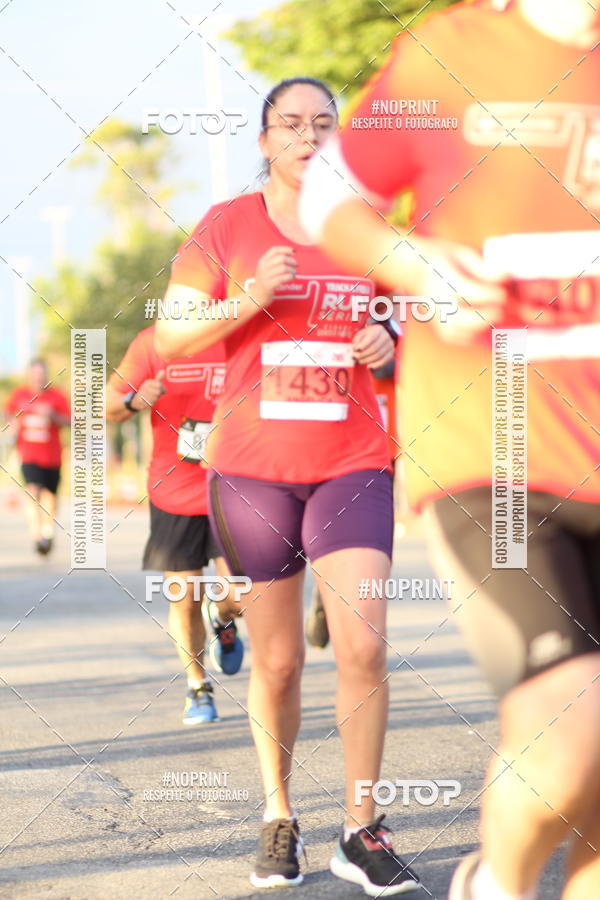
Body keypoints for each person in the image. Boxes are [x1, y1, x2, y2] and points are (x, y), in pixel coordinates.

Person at [300, 1, 600, 898]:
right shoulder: (448, 55)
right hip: (494, 453)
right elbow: (329, 193)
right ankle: (497, 879)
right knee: (571, 732)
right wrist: (415, 264)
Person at [155, 77, 421, 895]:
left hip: (351, 461)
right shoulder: (226, 225)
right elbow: (170, 336)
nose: (308, 137)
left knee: (364, 646)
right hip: (253, 471)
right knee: (274, 666)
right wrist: (251, 298)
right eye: (290, 125)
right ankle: (279, 818)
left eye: (323, 125)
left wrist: (390, 337)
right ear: (265, 140)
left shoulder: (367, 230)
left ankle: (361, 829)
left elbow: (426, 318)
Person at [106, 325, 244, 725]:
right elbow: (109, 404)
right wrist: (135, 400)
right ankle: (197, 687)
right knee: (186, 597)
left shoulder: (245, 329)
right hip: (175, 489)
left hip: (237, 484)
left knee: (240, 592)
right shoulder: (153, 341)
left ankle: (224, 621)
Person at [306, 356, 400, 650]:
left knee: (370, 547)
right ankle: (326, 593)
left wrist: (384, 343)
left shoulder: (400, 318)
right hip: (330, 442)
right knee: (323, 534)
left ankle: (347, 614)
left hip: (381, 451)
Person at [5, 358, 70, 555]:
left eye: (41, 375)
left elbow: (69, 421)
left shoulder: (56, 397)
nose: (38, 379)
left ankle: (47, 531)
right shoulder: (19, 394)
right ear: (29, 375)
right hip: (28, 455)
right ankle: (37, 536)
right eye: (34, 375)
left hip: (52, 457)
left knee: (50, 496)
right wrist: (12, 424)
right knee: (33, 492)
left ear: (46, 376)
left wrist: (53, 416)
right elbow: (8, 413)